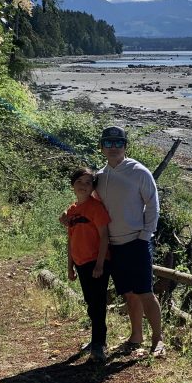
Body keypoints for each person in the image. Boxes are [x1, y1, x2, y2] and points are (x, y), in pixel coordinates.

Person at [95, 126, 165, 357]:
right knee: (128, 293)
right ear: (102, 147)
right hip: (114, 244)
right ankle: (136, 337)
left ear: (125, 146)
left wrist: (145, 235)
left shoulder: (139, 172)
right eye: (108, 143)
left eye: (118, 143)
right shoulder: (99, 176)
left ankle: (158, 339)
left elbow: (153, 204)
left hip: (137, 241)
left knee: (145, 292)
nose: (113, 148)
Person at [64, 167, 111, 363]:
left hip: (96, 261)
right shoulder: (72, 210)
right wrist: (70, 266)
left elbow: (104, 236)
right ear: (73, 185)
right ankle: (95, 340)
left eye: (88, 183)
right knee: (91, 303)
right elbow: (71, 239)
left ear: (93, 187)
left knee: (98, 303)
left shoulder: (96, 208)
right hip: (81, 262)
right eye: (79, 182)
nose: (83, 186)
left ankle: (99, 344)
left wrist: (100, 264)